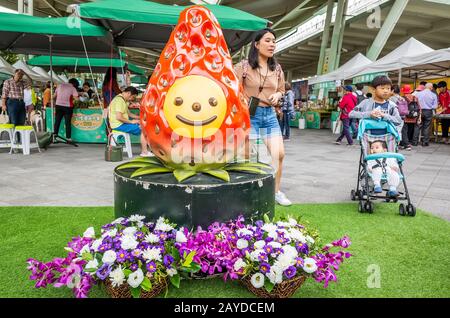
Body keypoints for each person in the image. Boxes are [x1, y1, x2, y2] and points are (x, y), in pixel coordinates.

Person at [234, 28, 291, 206]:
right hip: (249, 116)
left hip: (270, 115)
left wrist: (279, 96)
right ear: (257, 44)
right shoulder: (243, 67)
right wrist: (241, 97)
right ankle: (244, 191)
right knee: (249, 156)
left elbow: (282, 89)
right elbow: (232, 87)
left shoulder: (277, 68)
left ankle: (275, 191)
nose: (272, 44)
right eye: (267, 40)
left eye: (274, 41)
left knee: (279, 154)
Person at [108, 86, 151, 157]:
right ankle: (144, 152)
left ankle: (147, 150)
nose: (132, 99)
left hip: (121, 123)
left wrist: (140, 118)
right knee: (144, 128)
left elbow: (129, 114)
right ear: (128, 93)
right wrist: (132, 122)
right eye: (133, 97)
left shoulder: (122, 99)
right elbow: (119, 117)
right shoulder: (120, 101)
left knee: (142, 124)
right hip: (119, 125)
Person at [399, 84, 421, 150]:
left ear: (403, 91)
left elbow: (401, 109)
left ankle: (406, 144)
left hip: (406, 117)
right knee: (411, 130)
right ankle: (410, 141)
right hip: (414, 117)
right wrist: (419, 117)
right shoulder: (415, 97)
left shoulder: (402, 98)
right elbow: (419, 107)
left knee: (404, 130)